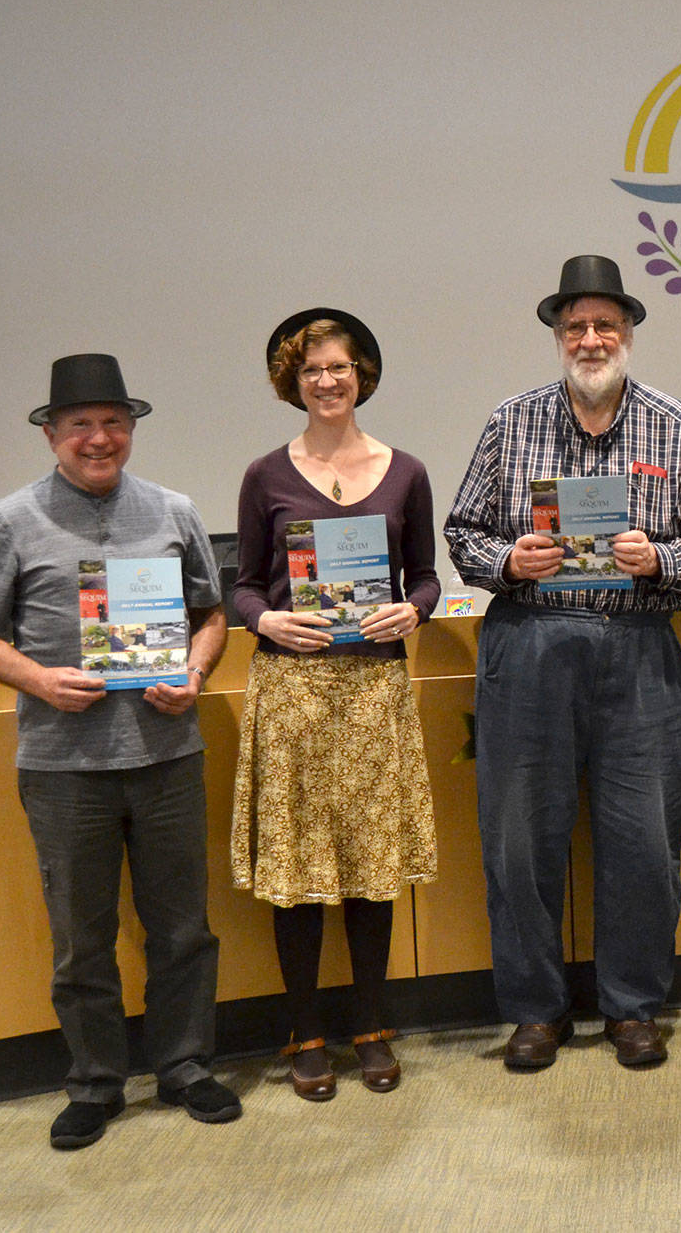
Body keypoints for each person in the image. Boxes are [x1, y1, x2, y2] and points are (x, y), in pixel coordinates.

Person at [445, 254, 681, 1070]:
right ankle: (536, 1010)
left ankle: (633, 1006)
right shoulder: (511, 421)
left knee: (643, 838)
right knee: (518, 840)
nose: (591, 337)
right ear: (557, 335)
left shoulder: (673, 424)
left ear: (629, 333)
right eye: (575, 325)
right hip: (530, 642)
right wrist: (510, 562)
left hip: (638, 649)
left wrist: (661, 562)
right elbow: (463, 529)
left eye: (606, 324)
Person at [0, 354, 240, 1150]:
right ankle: (95, 1082)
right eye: (80, 424)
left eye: (113, 422)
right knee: (81, 936)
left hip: (167, 753)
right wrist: (38, 678)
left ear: (132, 429)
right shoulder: (7, 521)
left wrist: (195, 669)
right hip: (62, 766)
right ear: (51, 433)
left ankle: (183, 1066)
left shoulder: (174, 510)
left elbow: (211, 615)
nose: (98, 438)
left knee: (182, 927)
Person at [230, 308, 440, 1101]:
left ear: (363, 376)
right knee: (299, 868)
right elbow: (245, 585)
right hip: (295, 690)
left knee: (370, 866)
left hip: (374, 689)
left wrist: (413, 610)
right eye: (312, 369)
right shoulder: (265, 475)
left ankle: (371, 1026)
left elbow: (424, 574)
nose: (327, 380)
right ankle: (305, 1031)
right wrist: (267, 619)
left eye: (340, 367)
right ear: (294, 380)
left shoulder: (406, 471)